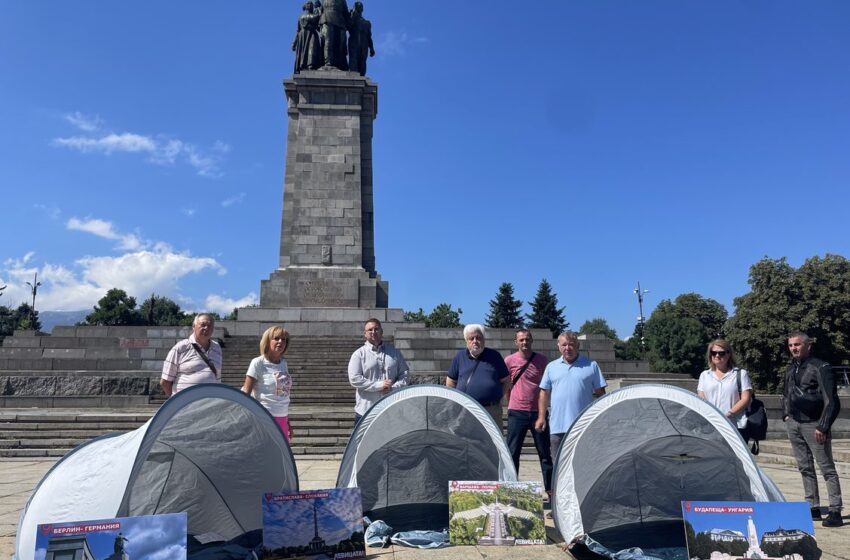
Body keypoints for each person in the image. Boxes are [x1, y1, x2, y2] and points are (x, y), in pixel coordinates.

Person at [782, 332, 843, 527]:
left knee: (827, 468)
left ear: (808, 345)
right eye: (791, 345)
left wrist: (823, 426)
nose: (794, 348)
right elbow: (785, 392)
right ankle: (812, 507)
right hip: (794, 423)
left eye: (798, 344)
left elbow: (832, 401)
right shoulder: (791, 368)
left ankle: (835, 509)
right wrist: (786, 415)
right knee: (805, 467)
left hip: (814, 424)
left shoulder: (820, 367)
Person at [535, 331, 606, 456]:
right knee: (558, 466)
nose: (568, 348)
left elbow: (601, 394)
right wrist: (541, 417)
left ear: (578, 346)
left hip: (583, 425)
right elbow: (544, 393)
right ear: (558, 346)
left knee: (583, 463)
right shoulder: (551, 367)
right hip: (558, 426)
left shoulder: (591, 365)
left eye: (571, 344)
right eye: (564, 345)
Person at [505, 329, 553, 495]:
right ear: (516, 342)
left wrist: (542, 413)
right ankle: (511, 491)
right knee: (512, 454)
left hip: (537, 413)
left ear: (532, 341)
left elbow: (545, 387)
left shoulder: (542, 360)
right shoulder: (509, 360)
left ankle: (550, 492)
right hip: (516, 412)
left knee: (545, 454)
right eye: (521, 340)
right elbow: (506, 385)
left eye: (527, 339)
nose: (524, 342)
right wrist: (512, 401)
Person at [447, 324, 510, 427]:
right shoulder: (459, 357)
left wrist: (496, 396)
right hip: (466, 410)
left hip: (491, 410)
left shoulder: (494, 356)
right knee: (465, 440)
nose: (475, 341)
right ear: (466, 341)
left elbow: (506, 381)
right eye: (471, 338)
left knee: (492, 442)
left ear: (484, 340)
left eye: (478, 337)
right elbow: (450, 382)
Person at [348, 318, 409, 424]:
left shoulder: (395, 353)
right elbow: (354, 378)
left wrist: (393, 388)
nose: (373, 332)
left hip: (391, 409)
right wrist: (380, 385)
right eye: (370, 330)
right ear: (365, 333)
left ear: (381, 331)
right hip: (366, 411)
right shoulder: (359, 354)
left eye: (376, 329)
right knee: (364, 441)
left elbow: (405, 375)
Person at [242, 326, 294, 441]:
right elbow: (246, 393)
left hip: (282, 416)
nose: (281, 342)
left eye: (284, 339)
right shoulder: (257, 363)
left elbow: (283, 394)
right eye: (276, 338)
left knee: (280, 457)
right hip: (264, 417)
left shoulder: (284, 363)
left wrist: (287, 421)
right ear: (267, 340)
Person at [697, 339, 752, 439]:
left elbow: (746, 399)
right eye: (714, 353)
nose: (717, 356)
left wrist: (729, 414)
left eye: (721, 353)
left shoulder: (740, 374)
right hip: (711, 426)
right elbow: (701, 400)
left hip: (735, 425)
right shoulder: (704, 375)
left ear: (728, 354)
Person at [160, 313, 222, 397]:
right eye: (203, 325)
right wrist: (176, 401)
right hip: (185, 405)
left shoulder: (217, 348)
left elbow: (217, 378)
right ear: (194, 327)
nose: (206, 328)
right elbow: (165, 382)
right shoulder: (180, 348)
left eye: (210, 326)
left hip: (209, 404)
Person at [292, 1, 323, 73]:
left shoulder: (314, 16)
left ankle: (311, 66)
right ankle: (303, 66)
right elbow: (298, 31)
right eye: (308, 4)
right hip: (302, 36)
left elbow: (318, 19)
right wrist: (294, 43)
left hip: (312, 34)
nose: (310, 5)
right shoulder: (300, 17)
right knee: (303, 51)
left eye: (311, 4)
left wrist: (319, 8)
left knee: (312, 48)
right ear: (305, 6)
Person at [319, 0, 350, 69]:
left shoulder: (342, 1)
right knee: (328, 42)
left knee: (339, 44)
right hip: (326, 20)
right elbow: (320, 12)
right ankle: (328, 62)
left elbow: (346, 13)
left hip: (339, 22)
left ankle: (338, 64)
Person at [347, 1, 375, 76]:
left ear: (362, 9)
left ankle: (361, 76)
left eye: (360, 6)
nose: (359, 7)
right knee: (353, 60)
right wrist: (352, 15)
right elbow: (348, 27)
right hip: (353, 42)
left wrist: (371, 48)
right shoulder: (352, 18)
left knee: (362, 62)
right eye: (357, 6)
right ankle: (353, 75)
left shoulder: (367, 23)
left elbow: (369, 36)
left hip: (364, 44)